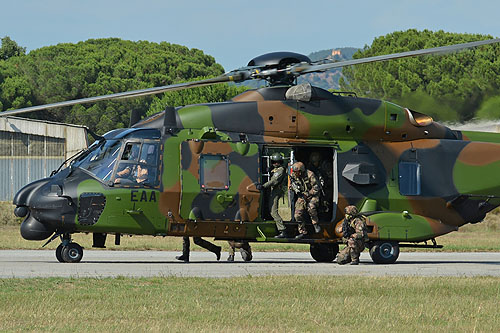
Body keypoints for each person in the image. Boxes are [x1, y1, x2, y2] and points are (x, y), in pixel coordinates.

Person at [257, 152, 288, 238]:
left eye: (277, 162)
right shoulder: (275, 170)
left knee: (273, 212)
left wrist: (263, 186)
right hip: (273, 191)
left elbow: (274, 181)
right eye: (274, 162)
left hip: (276, 191)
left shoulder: (281, 170)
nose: (275, 164)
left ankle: (282, 230)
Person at [289, 161, 322, 239]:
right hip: (302, 196)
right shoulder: (293, 175)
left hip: (313, 195)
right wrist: (294, 188)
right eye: (294, 172)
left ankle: (315, 224)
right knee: (297, 215)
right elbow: (291, 185)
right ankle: (302, 231)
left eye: (297, 172)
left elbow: (316, 188)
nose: (295, 173)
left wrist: (308, 194)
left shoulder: (310, 175)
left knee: (311, 207)